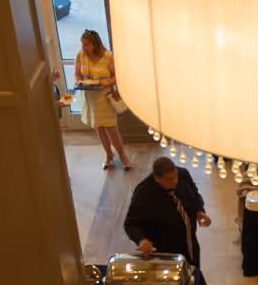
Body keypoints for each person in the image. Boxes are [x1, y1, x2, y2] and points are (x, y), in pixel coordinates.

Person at [124, 157, 208, 266]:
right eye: (169, 179)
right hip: (165, 253)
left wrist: (199, 211)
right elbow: (130, 224)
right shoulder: (143, 192)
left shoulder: (183, 174)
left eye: (175, 177)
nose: (175, 182)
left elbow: (195, 195)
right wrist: (141, 240)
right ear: (157, 179)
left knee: (194, 276)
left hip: (190, 244)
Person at [73, 30, 134, 172]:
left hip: (105, 97)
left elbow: (117, 75)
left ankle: (123, 156)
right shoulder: (80, 56)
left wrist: (106, 83)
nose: (83, 47)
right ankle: (108, 155)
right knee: (99, 129)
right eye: (82, 44)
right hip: (90, 97)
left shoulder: (107, 56)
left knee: (111, 129)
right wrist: (79, 82)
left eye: (86, 44)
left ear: (95, 44)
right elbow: (77, 74)